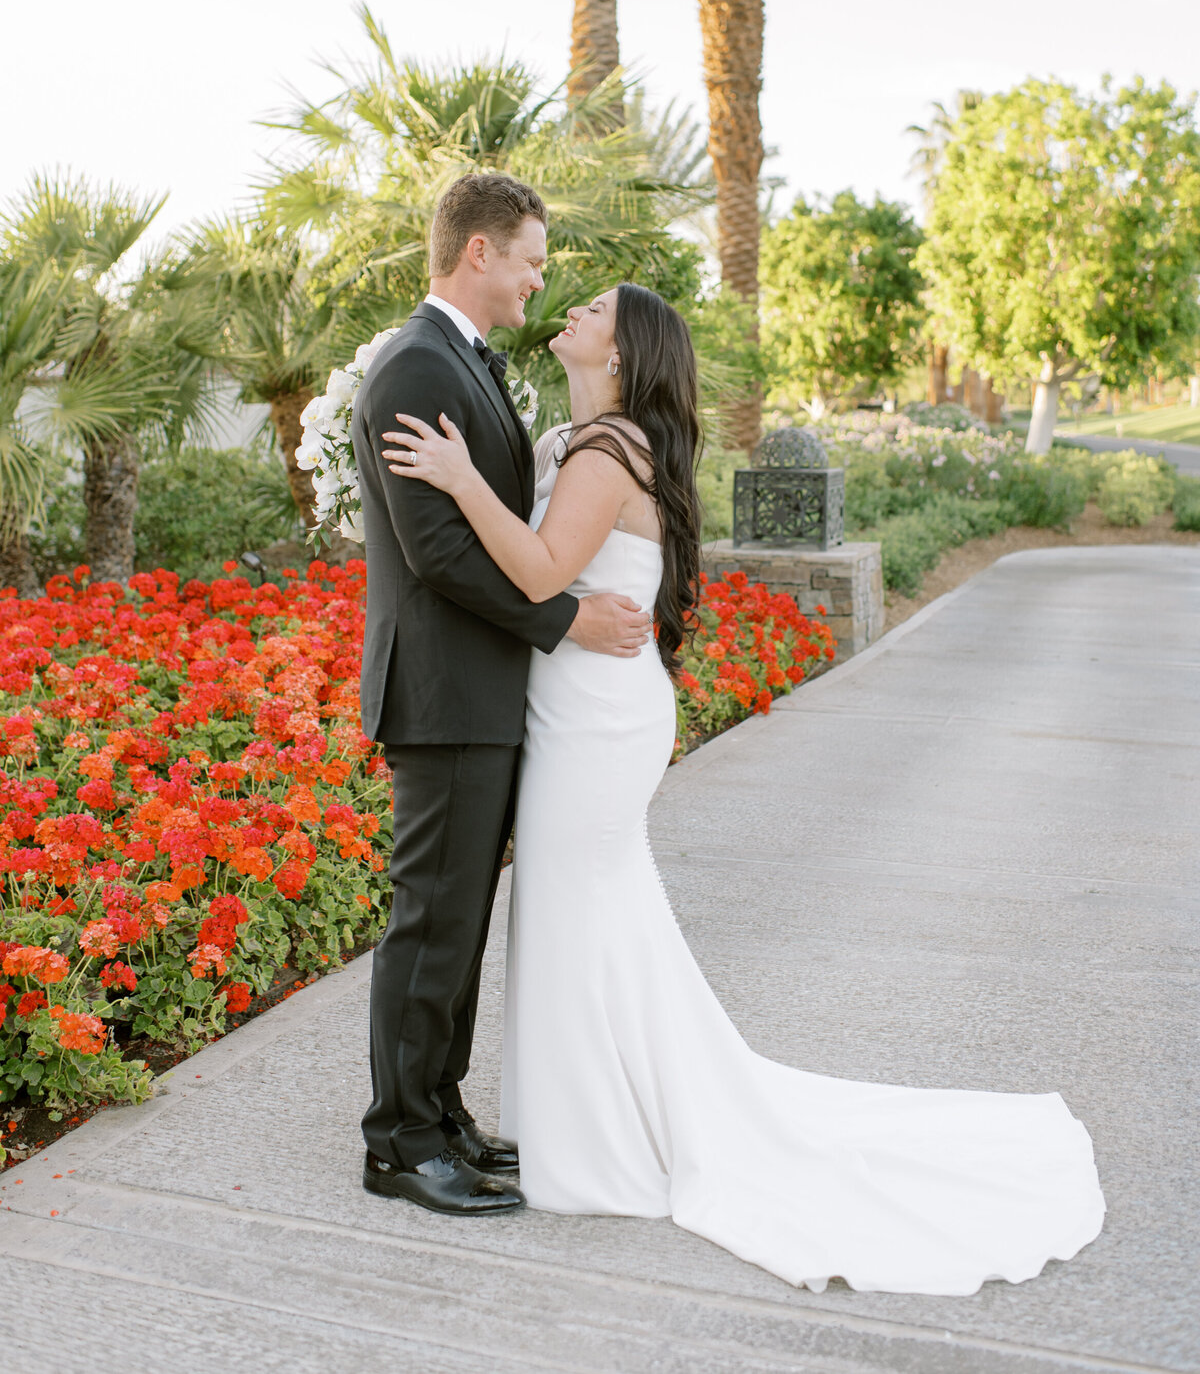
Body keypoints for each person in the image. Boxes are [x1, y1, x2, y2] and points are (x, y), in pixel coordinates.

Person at [381, 280, 1107, 1295]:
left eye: (593, 307)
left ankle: (602, 1139)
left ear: (624, 354)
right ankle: (588, 1124)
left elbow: (543, 575)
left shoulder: (608, 450)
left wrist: (459, 479)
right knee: (579, 912)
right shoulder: (572, 441)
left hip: (597, 715)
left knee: (579, 908)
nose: (574, 308)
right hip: (576, 705)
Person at [352, 172, 652, 1217]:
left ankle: (439, 1114)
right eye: (527, 257)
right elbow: (436, 555)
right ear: (478, 252)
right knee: (431, 921)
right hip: (441, 695)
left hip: (481, 695)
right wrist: (564, 620)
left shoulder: (463, 362)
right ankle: (396, 1141)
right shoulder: (412, 369)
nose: (537, 278)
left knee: (460, 922)